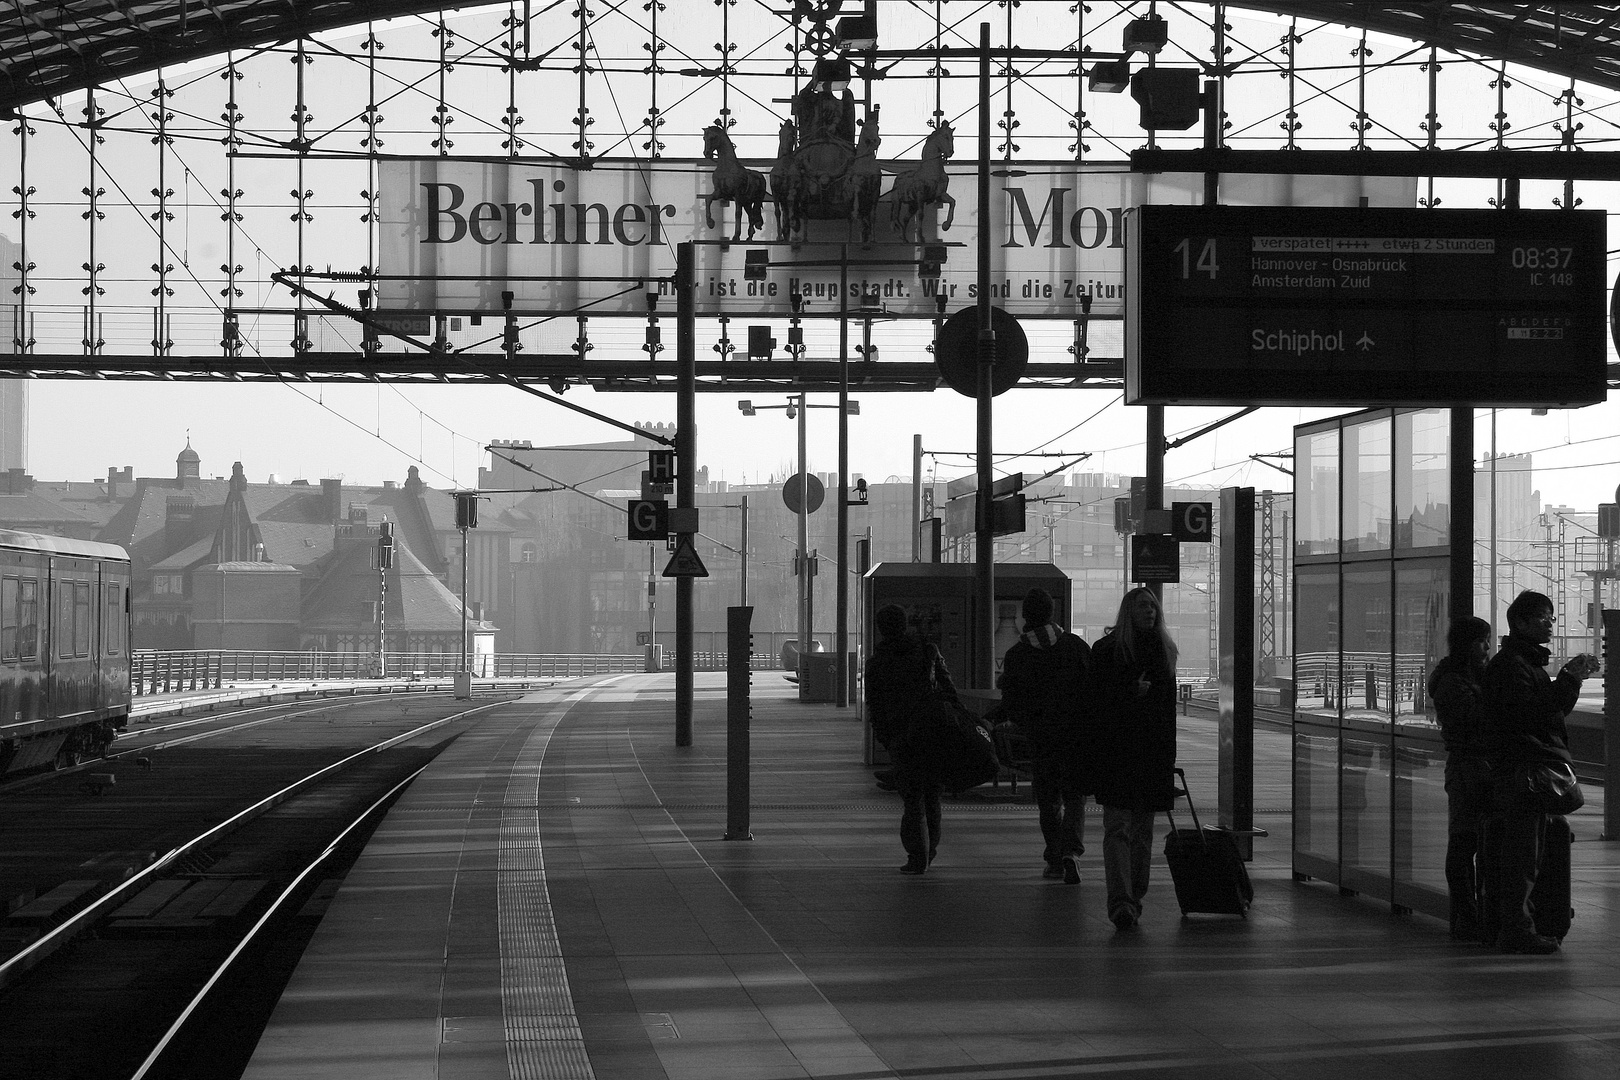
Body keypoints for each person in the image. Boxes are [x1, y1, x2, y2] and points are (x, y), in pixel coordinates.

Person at [1481, 590, 1600, 954]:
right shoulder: (1513, 666)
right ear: (1519, 623)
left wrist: (1568, 680)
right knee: (1522, 856)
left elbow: (1545, 709)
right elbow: (1534, 714)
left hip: (1521, 770)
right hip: (1524, 773)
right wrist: (1568, 678)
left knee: (1526, 853)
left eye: (1550, 617)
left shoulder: (1522, 664)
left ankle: (1519, 923)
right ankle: (1516, 928)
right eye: (1542, 618)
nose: (1550, 623)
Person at [1089, 587, 1179, 930]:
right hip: (1117, 754)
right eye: (1144, 606)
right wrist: (1128, 692)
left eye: (1154, 607)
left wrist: (1168, 761)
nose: (1151, 612)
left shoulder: (1164, 651)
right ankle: (1122, 901)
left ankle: (1134, 896)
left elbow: (1167, 715)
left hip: (1151, 755)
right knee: (1118, 829)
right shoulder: (1108, 651)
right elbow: (1094, 702)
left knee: (1142, 833)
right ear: (1129, 611)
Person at [998, 588, 1092, 883]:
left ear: (1026, 616)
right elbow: (1093, 692)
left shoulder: (1016, 655)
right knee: (1075, 798)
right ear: (1052, 614)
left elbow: (1012, 703)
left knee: (1049, 801)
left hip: (1040, 740)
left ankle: (1054, 857)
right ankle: (1072, 852)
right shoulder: (1076, 646)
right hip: (1075, 738)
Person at [865, 604, 958, 874]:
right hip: (931, 732)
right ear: (905, 625)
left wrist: (886, 737)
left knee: (912, 798)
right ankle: (931, 852)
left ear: (881, 629)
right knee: (932, 796)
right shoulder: (928, 652)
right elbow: (949, 690)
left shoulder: (877, 663)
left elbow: (875, 705)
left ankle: (917, 855)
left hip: (900, 737)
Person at [1428, 615, 1493, 942]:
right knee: (1464, 842)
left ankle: (1474, 913)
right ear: (1468, 643)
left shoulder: (1469, 675)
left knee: (1470, 841)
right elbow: (1478, 721)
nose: (1487, 647)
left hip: (1476, 767)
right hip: (1469, 769)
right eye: (1482, 641)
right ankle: (1467, 914)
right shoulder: (1455, 682)